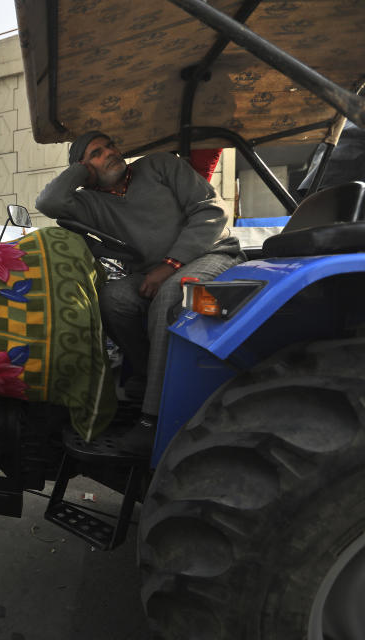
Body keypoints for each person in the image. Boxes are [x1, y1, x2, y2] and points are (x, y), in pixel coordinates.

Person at [36, 131, 244, 453]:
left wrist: (170, 264)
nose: (111, 153)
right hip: (155, 271)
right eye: (97, 153)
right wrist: (80, 172)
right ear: (84, 168)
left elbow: (211, 211)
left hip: (209, 254)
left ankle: (152, 420)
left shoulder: (160, 165)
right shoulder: (89, 202)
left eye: (111, 146)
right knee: (113, 298)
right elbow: (48, 203)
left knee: (169, 298)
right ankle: (152, 378)